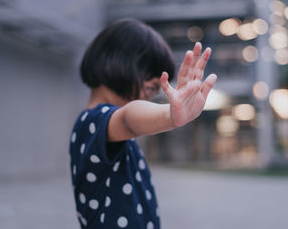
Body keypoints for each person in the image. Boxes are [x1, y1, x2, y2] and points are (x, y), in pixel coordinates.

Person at [69, 18, 217, 229]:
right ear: (116, 64)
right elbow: (129, 117)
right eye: (149, 89)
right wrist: (170, 115)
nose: (147, 100)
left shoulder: (100, 126)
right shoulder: (93, 120)